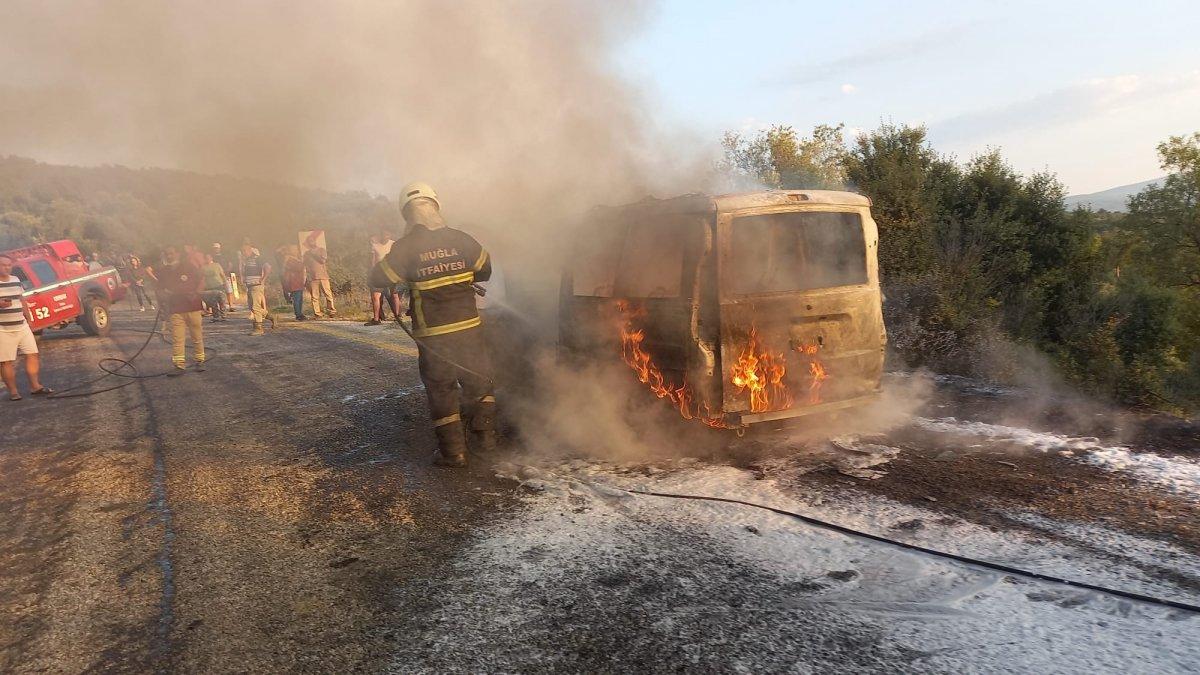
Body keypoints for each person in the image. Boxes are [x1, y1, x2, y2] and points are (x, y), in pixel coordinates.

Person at [368, 181, 496, 468]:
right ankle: (486, 441)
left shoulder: (406, 247)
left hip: (434, 334)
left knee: (441, 388)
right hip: (469, 327)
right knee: (479, 379)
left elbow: (379, 278)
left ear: (406, 214)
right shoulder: (462, 239)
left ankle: (453, 453)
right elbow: (485, 270)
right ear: (436, 206)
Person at [0, 254, 53, 400]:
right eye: (3, 265)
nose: (7, 268)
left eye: (9, 265)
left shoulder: (15, 280)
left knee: (32, 354)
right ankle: (13, 392)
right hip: (3, 329)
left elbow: (22, 299)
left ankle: (35, 386)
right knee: (6, 361)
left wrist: (29, 317)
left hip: (22, 325)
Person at [156, 246, 206, 375]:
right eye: (167, 254)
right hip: (176, 309)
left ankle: (199, 361)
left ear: (177, 254)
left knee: (196, 336)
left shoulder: (188, 266)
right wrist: (163, 299)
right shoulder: (164, 271)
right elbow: (160, 289)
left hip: (193, 307)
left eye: (171, 253)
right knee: (177, 338)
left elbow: (202, 279)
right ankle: (179, 365)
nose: (169, 256)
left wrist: (197, 293)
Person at [367, 229, 402, 326]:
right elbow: (373, 261)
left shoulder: (393, 244)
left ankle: (398, 317)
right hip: (379, 273)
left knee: (394, 295)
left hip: (391, 272)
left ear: (390, 235)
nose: (385, 236)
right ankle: (376, 319)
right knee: (376, 296)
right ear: (381, 235)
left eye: (387, 234)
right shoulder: (375, 245)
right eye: (384, 234)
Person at [240, 241, 275, 335]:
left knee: (255, 307)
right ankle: (271, 317)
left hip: (256, 286)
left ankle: (258, 328)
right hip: (250, 286)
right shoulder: (246, 260)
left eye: (244, 250)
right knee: (252, 307)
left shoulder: (258, 258)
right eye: (242, 251)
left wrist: (263, 279)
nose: (243, 252)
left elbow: (268, 267)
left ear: (250, 250)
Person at [303, 235, 336, 318]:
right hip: (312, 278)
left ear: (315, 241)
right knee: (314, 297)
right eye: (309, 241)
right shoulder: (306, 253)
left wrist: (313, 254)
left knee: (328, 294)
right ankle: (317, 313)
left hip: (323, 276)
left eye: (312, 241)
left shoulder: (321, 250)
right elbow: (305, 265)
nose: (311, 243)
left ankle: (331, 311)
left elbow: (322, 261)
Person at [282, 245, 307, 321]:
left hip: (299, 280)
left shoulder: (295, 259)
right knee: (297, 298)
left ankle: (300, 313)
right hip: (294, 281)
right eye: (294, 249)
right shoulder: (289, 259)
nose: (296, 251)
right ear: (291, 251)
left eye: (296, 249)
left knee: (300, 299)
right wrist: (303, 263)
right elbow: (298, 268)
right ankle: (298, 315)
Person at [201, 253, 228, 322]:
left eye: (208, 257)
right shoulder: (203, 267)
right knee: (213, 303)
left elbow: (222, 274)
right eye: (206, 258)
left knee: (222, 301)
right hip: (209, 287)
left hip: (219, 285)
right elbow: (202, 278)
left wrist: (225, 283)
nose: (207, 259)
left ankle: (223, 315)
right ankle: (216, 316)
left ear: (211, 258)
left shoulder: (217, 265)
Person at [210, 243, 235, 313]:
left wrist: (227, 271)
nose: (216, 249)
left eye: (217, 248)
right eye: (214, 248)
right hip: (216, 277)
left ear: (220, 248)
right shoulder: (212, 257)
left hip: (225, 275)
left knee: (228, 290)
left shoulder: (225, 256)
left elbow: (230, 264)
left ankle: (231, 305)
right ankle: (219, 307)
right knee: (218, 292)